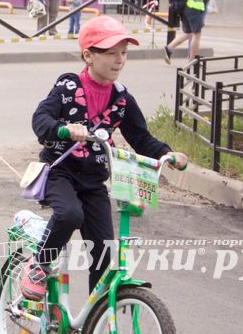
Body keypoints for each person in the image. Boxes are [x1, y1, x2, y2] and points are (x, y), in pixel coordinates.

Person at [19, 16, 188, 300]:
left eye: (124, 52)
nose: (119, 60)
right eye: (110, 53)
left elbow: (141, 138)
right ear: (88, 55)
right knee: (71, 214)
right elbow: (40, 120)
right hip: (60, 172)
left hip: (94, 181)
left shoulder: (121, 99)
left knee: (103, 252)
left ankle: (95, 317)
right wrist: (65, 129)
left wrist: (166, 153)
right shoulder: (68, 87)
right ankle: (38, 264)